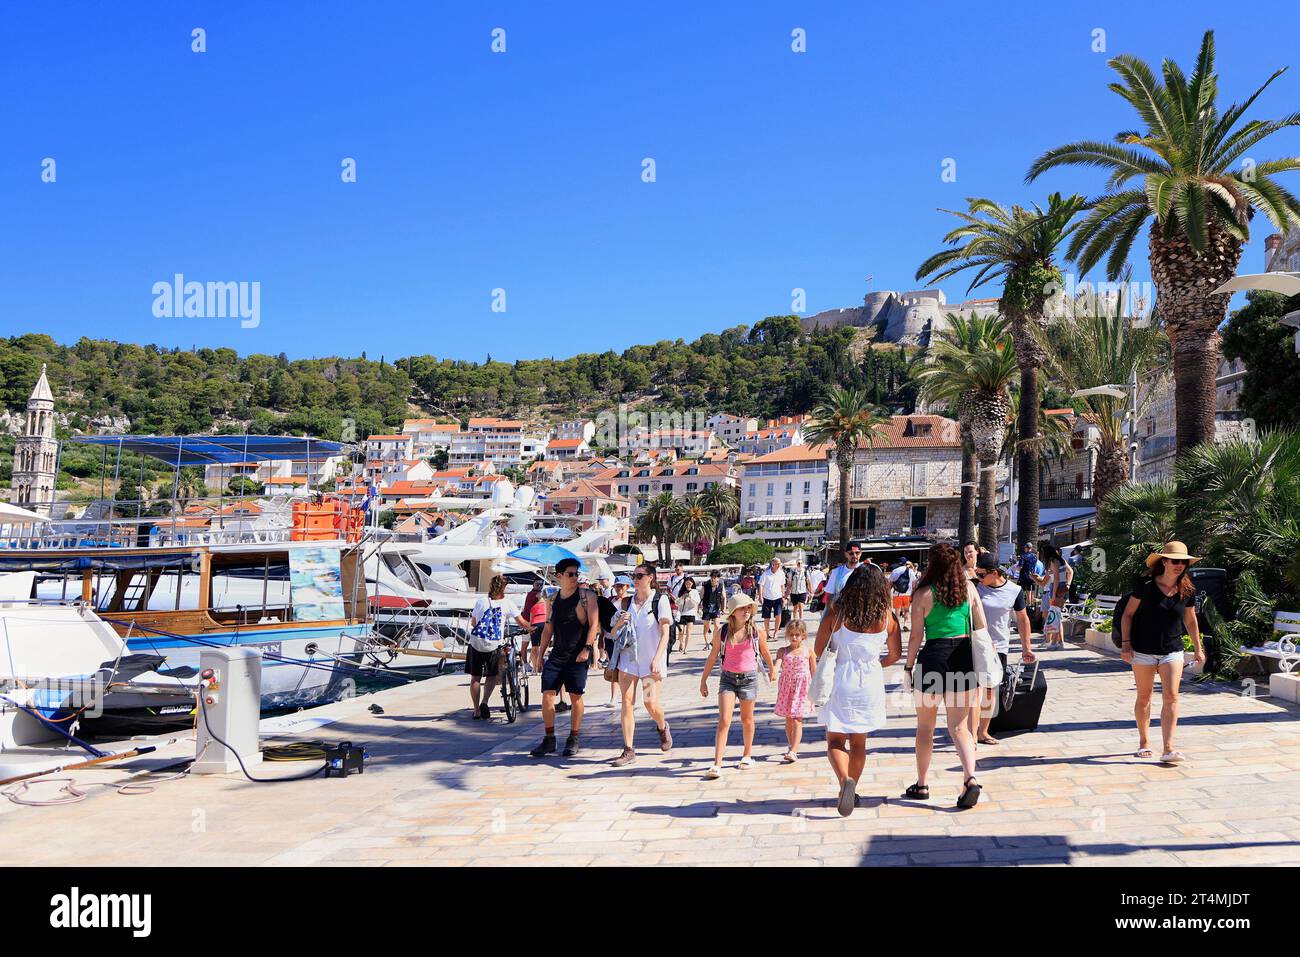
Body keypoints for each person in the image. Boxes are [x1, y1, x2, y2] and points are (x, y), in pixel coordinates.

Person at [904, 542, 990, 810]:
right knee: (960, 727)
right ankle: (970, 779)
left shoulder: (922, 594)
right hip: (963, 658)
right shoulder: (968, 588)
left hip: (933, 659)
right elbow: (982, 626)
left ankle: (922, 784)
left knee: (925, 728)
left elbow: (916, 636)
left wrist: (908, 667)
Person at [814, 564, 901, 816]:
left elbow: (819, 649)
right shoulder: (888, 617)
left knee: (835, 740)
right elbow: (894, 655)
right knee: (859, 743)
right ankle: (853, 783)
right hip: (870, 681)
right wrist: (875, 664)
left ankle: (844, 782)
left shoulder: (836, 613)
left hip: (841, 678)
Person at [1119, 542, 1205, 764]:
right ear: (1164, 562)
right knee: (1144, 697)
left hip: (1172, 650)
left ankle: (1168, 748)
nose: (1179, 565)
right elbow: (1127, 615)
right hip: (1142, 650)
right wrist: (1126, 644)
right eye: (1175, 561)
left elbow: (1190, 620)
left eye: (1183, 562)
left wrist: (1198, 647)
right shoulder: (1146, 585)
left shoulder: (1187, 589)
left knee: (1171, 696)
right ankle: (1144, 742)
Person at [529, 558, 600, 758]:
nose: (575, 577)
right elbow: (548, 628)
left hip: (578, 655)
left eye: (577, 574)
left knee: (576, 696)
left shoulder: (587, 596)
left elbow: (594, 625)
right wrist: (540, 654)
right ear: (559, 576)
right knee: (547, 694)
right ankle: (549, 739)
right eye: (570, 574)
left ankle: (573, 737)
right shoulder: (552, 599)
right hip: (557, 655)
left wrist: (587, 649)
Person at [700, 593, 775, 779]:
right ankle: (717, 763)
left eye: (749, 608)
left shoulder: (756, 632)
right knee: (724, 720)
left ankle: (747, 755)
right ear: (733, 612)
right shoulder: (723, 632)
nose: (747, 611)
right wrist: (703, 680)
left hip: (749, 679)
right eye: (742, 608)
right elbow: (712, 656)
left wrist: (773, 670)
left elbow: (765, 653)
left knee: (747, 719)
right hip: (727, 678)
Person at [611, 564, 674, 767]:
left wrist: (657, 658)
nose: (635, 579)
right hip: (628, 660)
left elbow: (665, 633)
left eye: (640, 575)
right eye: (633, 576)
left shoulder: (659, 600)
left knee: (650, 703)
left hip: (650, 662)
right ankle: (628, 749)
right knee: (626, 702)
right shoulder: (626, 602)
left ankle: (662, 727)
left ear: (650, 578)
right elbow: (612, 632)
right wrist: (619, 622)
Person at [972, 553, 1035, 745]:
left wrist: (1027, 648)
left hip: (998, 647)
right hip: (973, 644)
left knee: (991, 690)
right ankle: (969, 732)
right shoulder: (974, 587)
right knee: (972, 690)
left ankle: (983, 731)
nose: (979, 578)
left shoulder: (1014, 590)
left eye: (982, 574)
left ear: (995, 573)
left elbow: (1023, 619)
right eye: (977, 574)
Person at [466, 575, 529, 721]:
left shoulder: (481, 601)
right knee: (492, 675)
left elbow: (473, 623)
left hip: (476, 643)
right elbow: (521, 622)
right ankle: (485, 702)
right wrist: (531, 628)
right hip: (493, 645)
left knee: (475, 677)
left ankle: (476, 711)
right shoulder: (508, 603)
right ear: (504, 588)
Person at [774, 620, 817, 763]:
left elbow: (814, 671)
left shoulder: (808, 651)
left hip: (802, 689)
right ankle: (791, 744)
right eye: (791, 635)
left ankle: (794, 751)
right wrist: (773, 672)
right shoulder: (782, 651)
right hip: (787, 689)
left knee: (797, 720)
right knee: (788, 720)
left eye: (797, 635)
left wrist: (817, 688)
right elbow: (777, 665)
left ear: (803, 635)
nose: (794, 638)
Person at [1040, 543, 1073, 649]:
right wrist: (1068, 584)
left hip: (1056, 588)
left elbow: (1056, 579)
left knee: (1055, 615)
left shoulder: (1053, 561)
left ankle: (1054, 643)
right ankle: (1060, 642)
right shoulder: (1062, 560)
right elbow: (1071, 571)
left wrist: (1053, 594)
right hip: (1063, 588)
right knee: (1057, 615)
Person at [823, 543, 863, 609]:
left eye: (857, 553)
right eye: (851, 553)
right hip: (842, 612)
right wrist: (829, 612)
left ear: (861, 553)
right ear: (846, 554)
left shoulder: (867, 570)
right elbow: (830, 595)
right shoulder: (836, 572)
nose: (854, 555)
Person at [757, 557, 788, 637]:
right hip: (767, 598)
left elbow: (782, 586)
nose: (779, 565)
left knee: (778, 615)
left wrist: (784, 597)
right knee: (766, 617)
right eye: (777, 564)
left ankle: (776, 632)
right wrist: (760, 596)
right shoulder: (766, 574)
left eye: (779, 564)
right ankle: (767, 633)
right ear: (773, 564)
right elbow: (761, 585)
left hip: (778, 597)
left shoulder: (781, 573)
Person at [700, 570, 728, 650]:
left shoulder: (721, 585)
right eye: (712, 577)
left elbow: (724, 597)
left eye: (715, 577)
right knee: (706, 626)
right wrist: (699, 606)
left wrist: (724, 608)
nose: (713, 579)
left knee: (717, 626)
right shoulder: (705, 585)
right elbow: (701, 596)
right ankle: (706, 643)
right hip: (706, 608)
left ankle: (713, 641)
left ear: (718, 578)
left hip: (716, 607)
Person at [889, 559, 915, 629]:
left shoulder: (895, 571)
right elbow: (914, 584)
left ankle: (897, 626)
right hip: (908, 594)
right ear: (905, 563)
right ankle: (905, 624)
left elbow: (890, 583)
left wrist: (888, 593)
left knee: (897, 611)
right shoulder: (910, 571)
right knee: (906, 611)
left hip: (897, 594)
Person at [677, 577, 700, 654]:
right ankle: (681, 643)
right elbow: (677, 603)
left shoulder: (695, 592)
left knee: (688, 632)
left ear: (692, 583)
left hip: (691, 613)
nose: (688, 585)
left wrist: (690, 597)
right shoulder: (682, 591)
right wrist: (683, 597)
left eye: (689, 583)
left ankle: (685, 648)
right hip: (682, 614)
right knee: (680, 631)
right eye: (686, 583)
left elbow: (696, 603)